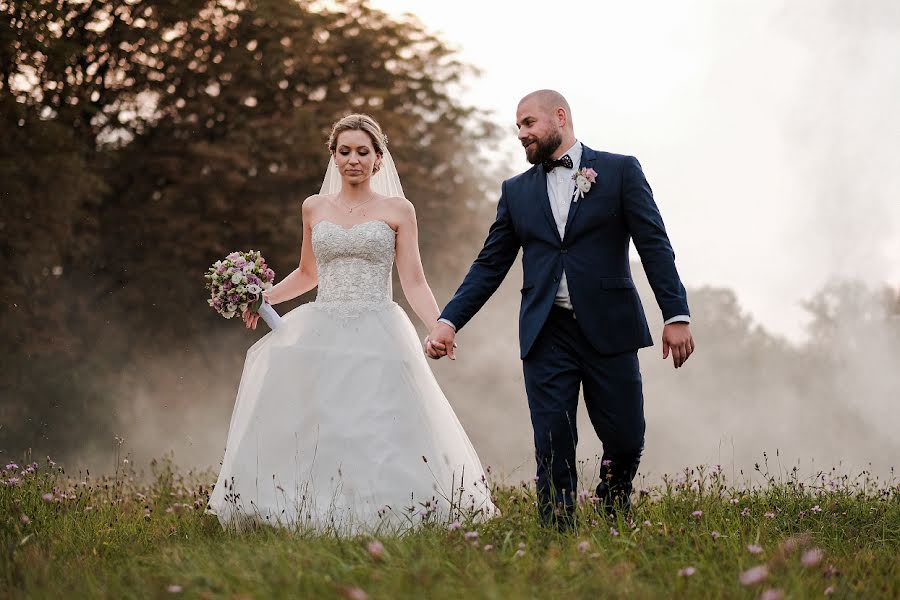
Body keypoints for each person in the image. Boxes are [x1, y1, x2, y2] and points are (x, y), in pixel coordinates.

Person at [207, 114, 496, 533]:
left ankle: (388, 513)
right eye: (345, 152)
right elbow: (308, 274)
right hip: (323, 328)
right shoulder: (314, 207)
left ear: (379, 159)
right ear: (334, 157)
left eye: (363, 151)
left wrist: (439, 325)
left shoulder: (399, 210)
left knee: (376, 424)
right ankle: (307, 509)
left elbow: (413, 279)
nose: (353, 159)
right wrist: (261, 296)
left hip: (378, 328)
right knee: (319, 424)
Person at [426, 90, 695, 528]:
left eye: (528, 123)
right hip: (546, 331)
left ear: (560, 117)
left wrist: (676, 315)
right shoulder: (516, 192)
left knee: (626, 437)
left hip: (611, 326)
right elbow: (490, 264)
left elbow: (654, 245)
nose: (521, 134)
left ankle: (613, 509)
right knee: (552, 440)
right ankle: (556, 532)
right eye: (517, 127)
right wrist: (449, 320)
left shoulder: (620, 171)